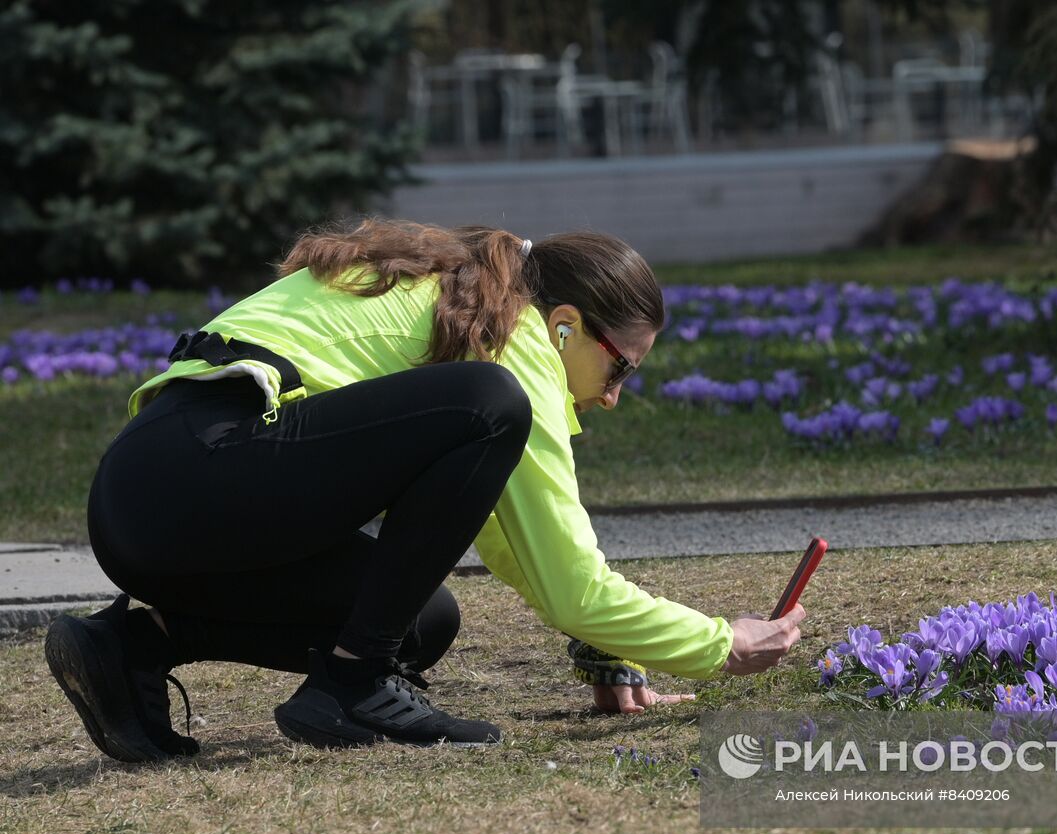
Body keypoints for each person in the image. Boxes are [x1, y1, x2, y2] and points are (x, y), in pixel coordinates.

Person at [45, 220, 806, 762]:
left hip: (146, 503)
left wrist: (609, 645)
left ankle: (134, 646)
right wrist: (722, 643)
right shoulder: (513, 341)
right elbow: (571, 583)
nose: (613, 397)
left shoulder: (455, 293)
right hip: (191, 477)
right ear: (565, 326)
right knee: (492, 401)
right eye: (622, 368)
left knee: (420, 621)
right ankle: (352, 683)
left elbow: (517, 539)